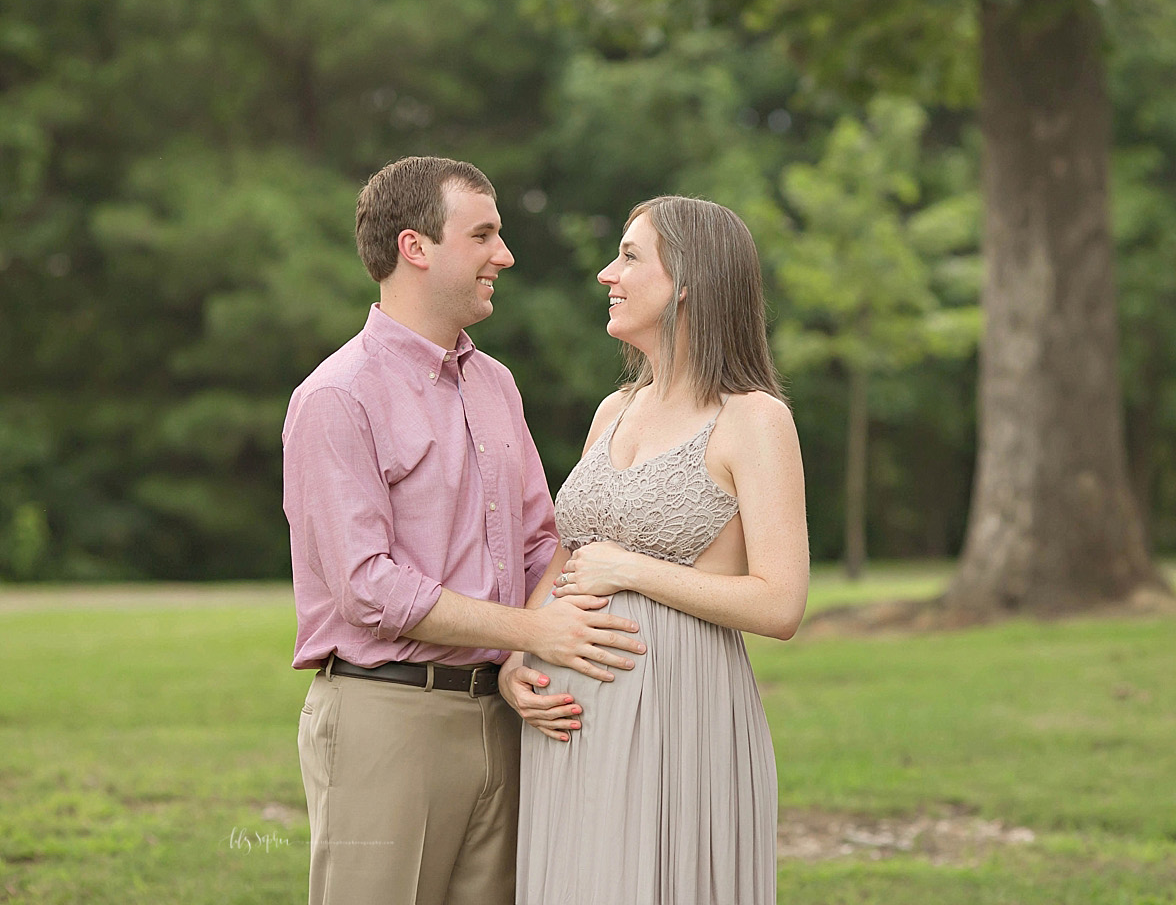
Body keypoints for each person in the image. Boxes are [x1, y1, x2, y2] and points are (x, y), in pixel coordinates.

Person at [282, 155, 647, 905]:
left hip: (507, 713)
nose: (503, 256)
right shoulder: (336, 397)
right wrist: (531, 631)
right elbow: (367, 589)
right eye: (483, 234)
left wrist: (530, 649)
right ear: (416, 247)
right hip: (387, 718)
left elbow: (541, 544)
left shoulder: (496, 383)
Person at [500, 195, 810, 904]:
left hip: (678, 713)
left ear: (691, 282)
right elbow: (567, 551)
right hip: (568, 713)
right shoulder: (614, 409)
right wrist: (517, 654)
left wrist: (633, 568)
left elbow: (781, 602)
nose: (609, 274)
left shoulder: (754, 420)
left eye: (630, 257)